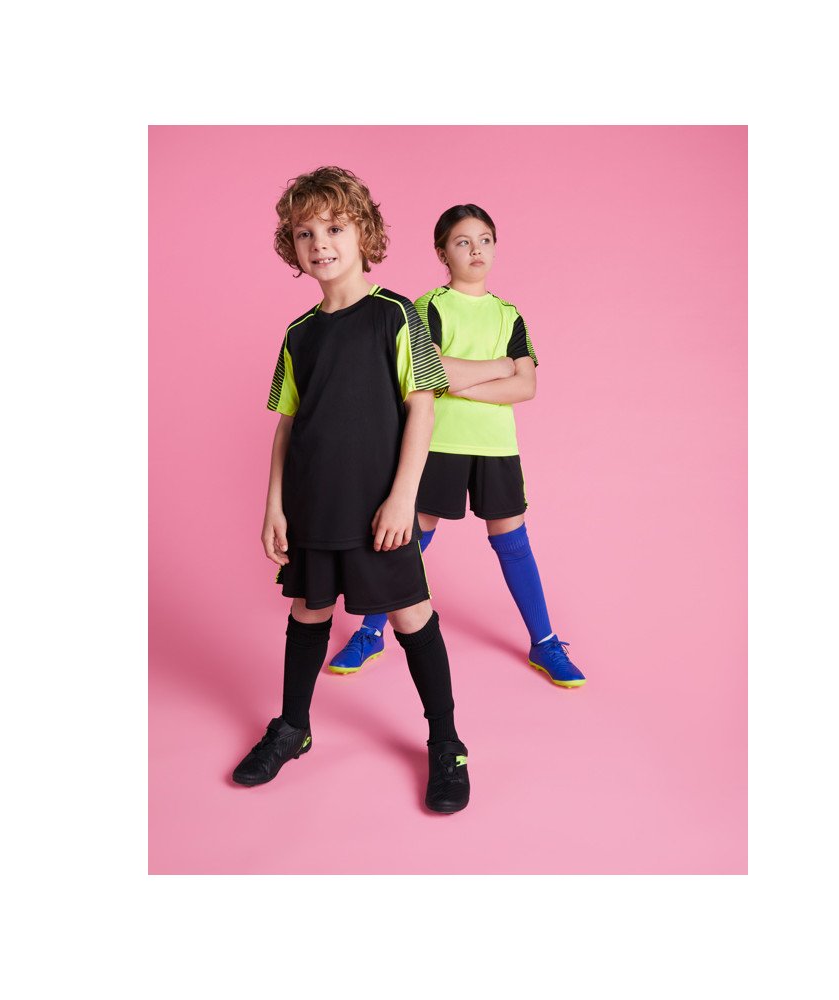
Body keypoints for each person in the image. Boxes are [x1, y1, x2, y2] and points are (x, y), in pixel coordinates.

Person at [232, 167, 471, 814]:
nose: (320, 243)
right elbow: (288, 424)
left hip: (377, 508)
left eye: (334, 228)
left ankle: (447, 743)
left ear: (363, 232)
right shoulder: (298, 334)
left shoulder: (397, 314)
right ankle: (293, 727)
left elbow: (422, 407)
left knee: (411, 615)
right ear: (292, 246)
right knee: (307, 612)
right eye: (304, 233)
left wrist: (402, 497)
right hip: (313, 503)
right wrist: (274, 505)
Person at [329, 204, 585, 688]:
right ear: (442, 252)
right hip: (437, 443)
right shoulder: (428, 307)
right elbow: (435, 371)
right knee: (408, 539)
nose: (476, 250)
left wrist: (460, 381)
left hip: (495, 447)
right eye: (463, 241)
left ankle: (545, 642)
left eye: (485, 240)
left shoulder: (509, 314)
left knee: (513, 543)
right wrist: (499, 368)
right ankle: (370, 632)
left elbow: (526, 386)